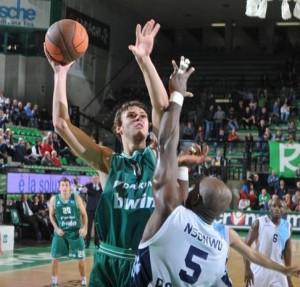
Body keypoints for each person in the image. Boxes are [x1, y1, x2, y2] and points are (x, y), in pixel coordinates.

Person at [131, 60, 300, 286]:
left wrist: (178, 95)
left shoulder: (171, 214)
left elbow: (165, 145)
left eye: (196, 186)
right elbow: (254, 255)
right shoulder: (222, 241)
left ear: (195, 196)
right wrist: (284, 269)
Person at [45, 20, 170, 287]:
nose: (140, 118)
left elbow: (162, 106)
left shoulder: (156, 156)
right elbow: (61, 125)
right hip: (108, 260)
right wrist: (60, 73)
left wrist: (145, 60)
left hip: (144, 261)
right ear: (118, 128)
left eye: (144, 116)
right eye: (131, 115)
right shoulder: (107, 162)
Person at [244, 197, 294, 287]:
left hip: (278, 268)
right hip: (259, 266)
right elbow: (245, 246)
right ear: (269, 207)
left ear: (284, 209)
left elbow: (287, 251)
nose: (277, 209)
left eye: (280, 206)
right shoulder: (259, 223)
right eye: (274, 206)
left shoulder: (287, 226)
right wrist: (247, 269)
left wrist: (288, 276)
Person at [49, 177, 88, 287]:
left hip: (75, 232)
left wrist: (85, 228)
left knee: (81, 259)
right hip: (61, 232)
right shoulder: (54, 199)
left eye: (66, 185)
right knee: (55, 257)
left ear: (69, 187)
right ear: (59, 187)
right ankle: (54, 281)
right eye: (62, 185)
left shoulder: (76, 198)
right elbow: (51, 216)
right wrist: (56, 228)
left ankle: (84, 280)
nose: (64, 187)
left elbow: (84, 215)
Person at [84, 175, 102, 248]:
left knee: (97, 227)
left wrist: (89, 191)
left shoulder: (101, 186)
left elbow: (98, 194)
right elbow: (83, 192)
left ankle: (97, 243)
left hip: (98, 209)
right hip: (89, 209)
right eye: (94, 178)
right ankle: (87, 243)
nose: (95, 180)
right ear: (91, 179)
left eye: (97, 178)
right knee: (88, 226)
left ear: (99, 179)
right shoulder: (88, 185)